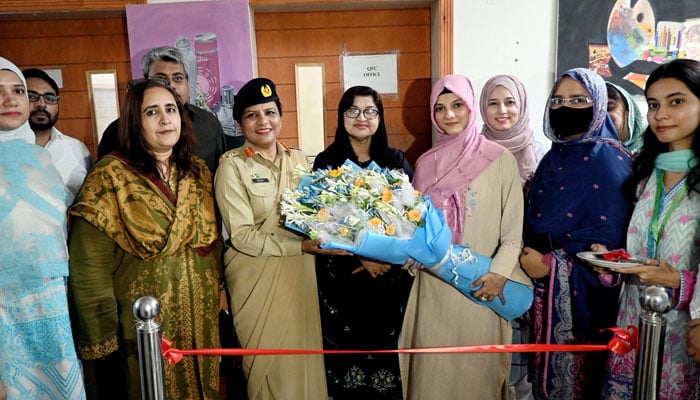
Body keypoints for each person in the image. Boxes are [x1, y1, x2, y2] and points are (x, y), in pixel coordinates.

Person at [68, 78, 221, 399]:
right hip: (141, 333)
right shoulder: (109, 179)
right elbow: (89, 270)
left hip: (200, 324)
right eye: (152, 112)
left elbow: (213, 247)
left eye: (171, 110)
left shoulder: (198, 172)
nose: (166, 119)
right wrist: (103, 344)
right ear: (134, 123)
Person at [214, 77, 350, 400]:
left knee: (303, 361)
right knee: (267, 371)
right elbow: (242, 235)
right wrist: (298, 246)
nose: (264, 122)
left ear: (280, 116)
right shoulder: (231, 167)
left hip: (298, 275)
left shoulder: (300, 160)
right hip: (255, 277)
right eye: (252, 115)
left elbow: (315, 215)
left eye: (270, 112)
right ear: (239, 123)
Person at [398, 74, 531, 399]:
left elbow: (513, 231)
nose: (450, 115)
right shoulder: (426, 163)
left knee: (478, 380)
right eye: (441, 108)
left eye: (457, 105)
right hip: (435, 293)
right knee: (431, 379)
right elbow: (416, 229)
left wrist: (499, 275)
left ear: (471, 107)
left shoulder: (500, 159)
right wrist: (409, 255)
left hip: (482, 288)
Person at [519, 68, 634, 399]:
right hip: (543, 295)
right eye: (557, 100)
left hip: (586, 316)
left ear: (597, 106)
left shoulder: (610, 164)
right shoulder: (554, 158)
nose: (565, 107)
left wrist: (552, 267)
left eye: (579, 100)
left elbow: (615, 258)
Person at [600, 58, 700, 399]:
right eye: (654, 104)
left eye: (677, 101)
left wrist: (677, 280)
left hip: (684, 334)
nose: (660, 115)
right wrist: (613, 260)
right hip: (633, 323)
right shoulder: (645, 176)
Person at [312, 85, 414, 399]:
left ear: (380, 118)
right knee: (348, 374)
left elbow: (411, 220)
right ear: (342, 116)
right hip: (343, 284)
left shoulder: (396, 162)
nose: (361, 117)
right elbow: (318, 224)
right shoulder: (326, 162)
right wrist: (361, 258)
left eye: (370, 111)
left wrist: (385, 259)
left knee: (388, 368)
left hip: (389, 282)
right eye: (352, 110)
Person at [0, 57, 85, 399]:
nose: (11, 100)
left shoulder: (41, 158)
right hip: (5, 301)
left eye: (18, 91)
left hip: (52, 296)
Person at [98, 46, 227, 176]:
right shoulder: (118, 130)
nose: (171, 86)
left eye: (177, 78)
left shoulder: (208, 123)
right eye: (161, 79)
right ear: (146, 82)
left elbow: (221, 175)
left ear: (188, 82)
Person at [23, 67, 93, 203]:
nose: (41, 104)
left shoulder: (77, 149)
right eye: (31, 96)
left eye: (50, 98)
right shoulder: (5, 148)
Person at [480, 74, 539, 192]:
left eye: (510, 102)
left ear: (522, 105)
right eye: (493, 103)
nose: (502, 110)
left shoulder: (540, 155)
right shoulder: (473, 152)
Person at [606, 82, 646, 156]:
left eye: (608, 108)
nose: (600, 116)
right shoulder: (585, 155)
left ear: (628, 110)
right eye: (594, 111)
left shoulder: (654, 153)